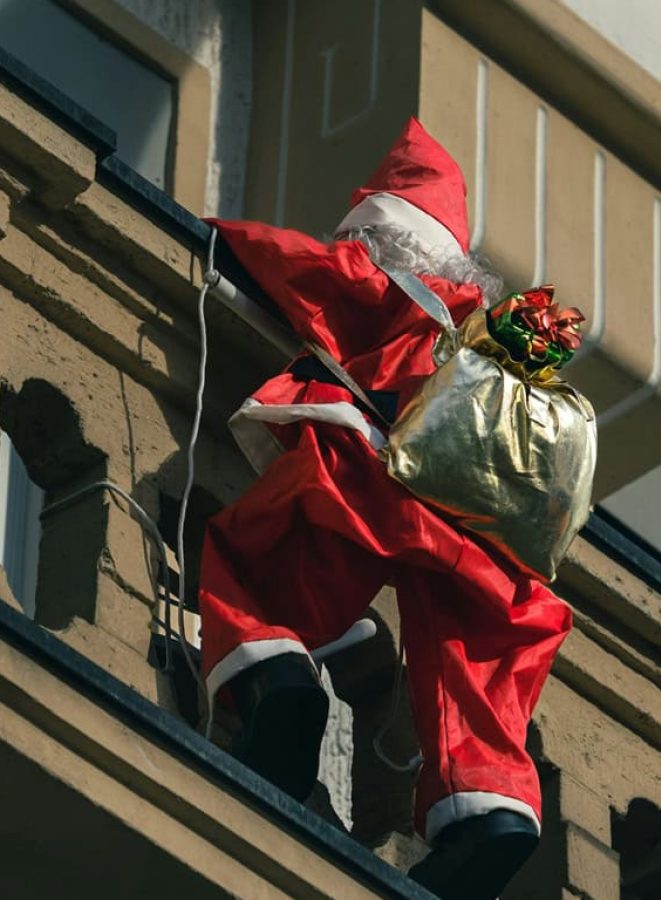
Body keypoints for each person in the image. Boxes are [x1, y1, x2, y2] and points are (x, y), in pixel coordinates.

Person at [198, 118, 572, 900]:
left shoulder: (388, 283)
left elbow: (295, 265)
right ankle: (489, 809)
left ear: (379, 231)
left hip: (378, 476)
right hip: (483, 531)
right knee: (474, 668)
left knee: (258, 564)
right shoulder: (486, 340)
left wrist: (211, 233)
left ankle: (278, 684)